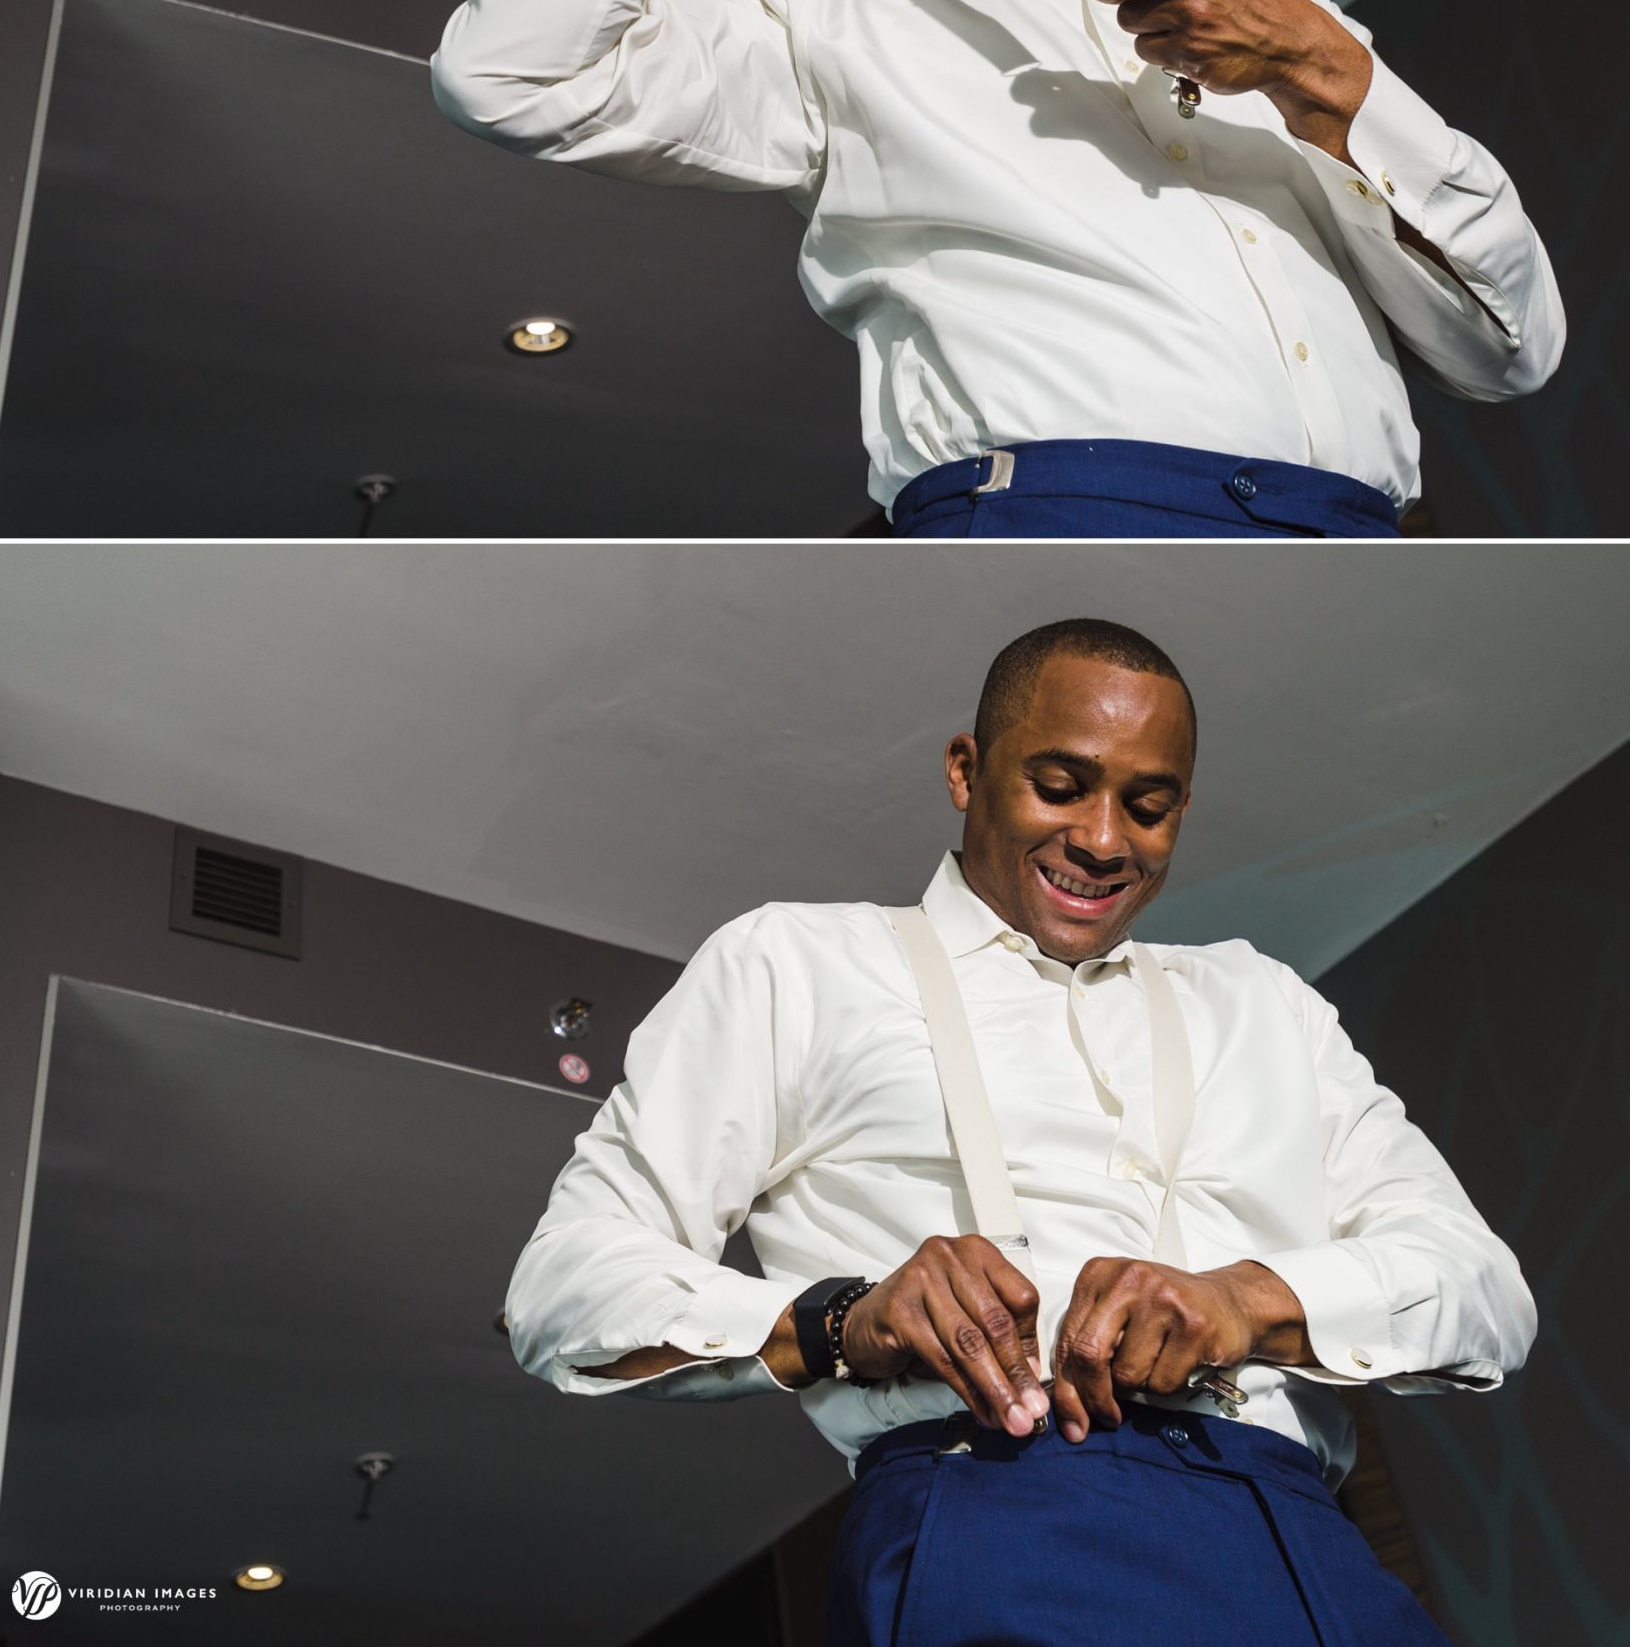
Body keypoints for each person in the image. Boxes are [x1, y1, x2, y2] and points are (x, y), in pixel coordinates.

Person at [504, 618, 1534, 1644]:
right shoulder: (791, 963)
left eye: (1147, 806)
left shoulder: (1265, 1000)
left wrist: (1245, 1303)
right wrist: (840, 1320)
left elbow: (1484, 1294)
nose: (1100, 839)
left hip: (1310, 1545)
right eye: (1059, 785)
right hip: (997, 1520)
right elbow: (563, 1289)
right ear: (966, 768)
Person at [432, 0, 1564, 538]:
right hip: (1045, 522)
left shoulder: (1280, 21)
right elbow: (514, 71)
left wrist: (1318, 64)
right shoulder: (831, 12)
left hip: (1362, 545)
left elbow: (1508, 349)